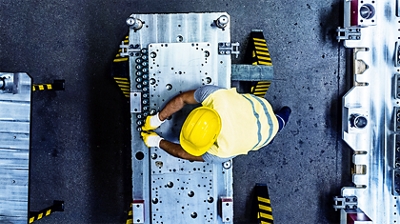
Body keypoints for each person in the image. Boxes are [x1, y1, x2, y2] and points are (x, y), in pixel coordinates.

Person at [140, 85, 291, 163]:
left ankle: (284, 117)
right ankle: (286, 112)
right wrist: (157, 120)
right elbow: (183, 99)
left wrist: (156, 139)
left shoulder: (223, 151)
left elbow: (183, 153)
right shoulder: (217, 97)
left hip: (265, 134)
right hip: (259, 105)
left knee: (275, 127)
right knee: (280, 117)